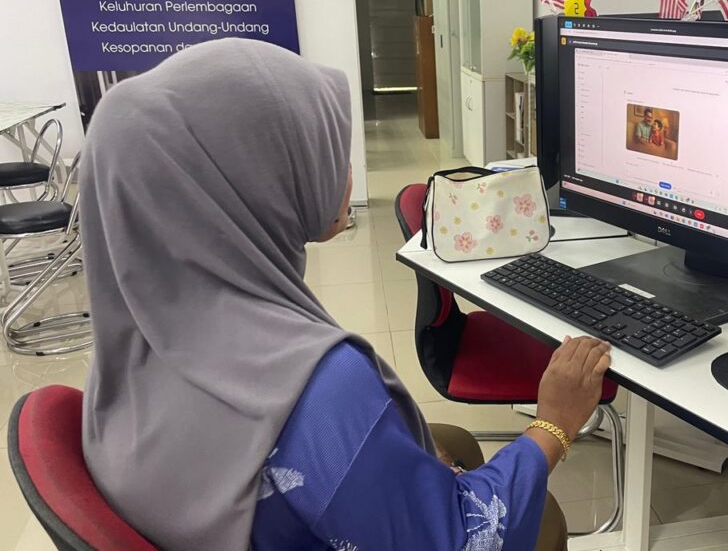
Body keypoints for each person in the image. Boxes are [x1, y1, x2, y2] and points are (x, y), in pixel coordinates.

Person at [78, 38, 611, 551]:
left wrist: (393, 452)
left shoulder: (141, 337)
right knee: (546, 519)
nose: (345, 171)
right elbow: (468, 540)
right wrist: (555, 422)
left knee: (454, 442)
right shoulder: (320, 390)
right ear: (247, 180)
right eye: (313, 149)